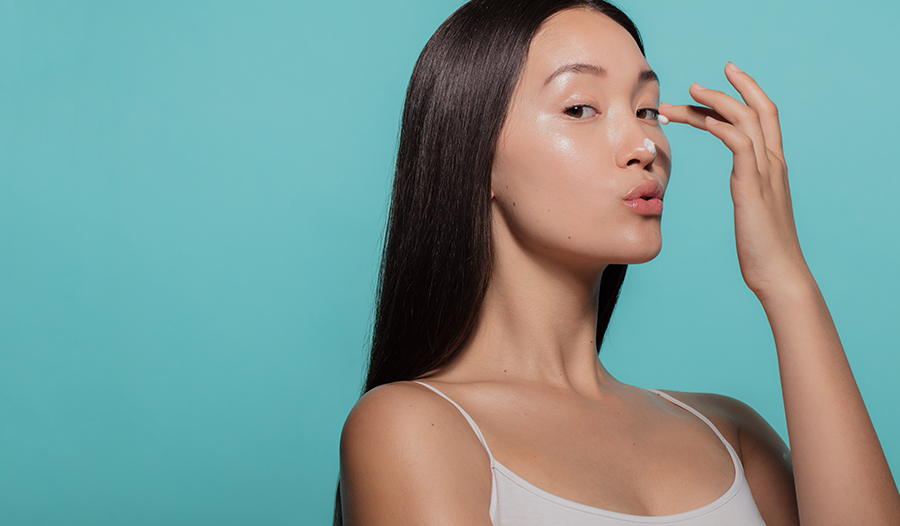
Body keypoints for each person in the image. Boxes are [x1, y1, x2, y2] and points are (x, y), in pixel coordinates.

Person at [336, 0, 900, 524]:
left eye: (647, 109)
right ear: (472, 152)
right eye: (580, 107)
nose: (644, 143)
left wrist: (785, 279)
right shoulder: (412, 427)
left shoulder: (731, 433)